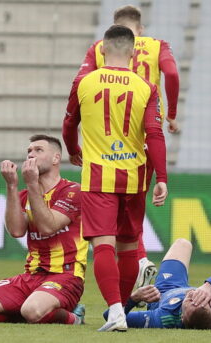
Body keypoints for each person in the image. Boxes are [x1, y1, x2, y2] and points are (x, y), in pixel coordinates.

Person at [62, 25, 168, 332]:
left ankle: (116, 311)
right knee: (127, 248)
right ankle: (119, 310)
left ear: (102, 50)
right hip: (134, 177)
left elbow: (69, 123)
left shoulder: (84, 81)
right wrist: (161, 177)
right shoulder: (146, 87)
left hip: (98, 177)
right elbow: (154, 134)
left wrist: (72, 150)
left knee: (103, 244)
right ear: (134, 53)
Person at [71, 4, 181, 296]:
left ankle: (125, 289)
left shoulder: (97, 49)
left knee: (105, 235)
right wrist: (172, 113)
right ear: (140, 31)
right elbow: (171, 73)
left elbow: (80, 102)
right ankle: (139, 259)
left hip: (105, 146)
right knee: (132, 221)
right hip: (143, 137)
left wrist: (73, 145)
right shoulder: (158, 47)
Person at [0, 135, 87, 325]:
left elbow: (48, 226)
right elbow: (15, 231)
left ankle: (74, 316)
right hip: (31, 275)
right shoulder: (24, 194)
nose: (31, 155)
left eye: (38, 150)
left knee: (32, 311)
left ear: (56, 158)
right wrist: (11, 186)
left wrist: (31, 183)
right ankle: (34, 308)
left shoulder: (72, 191)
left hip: (66, 276)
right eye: (29, 151)